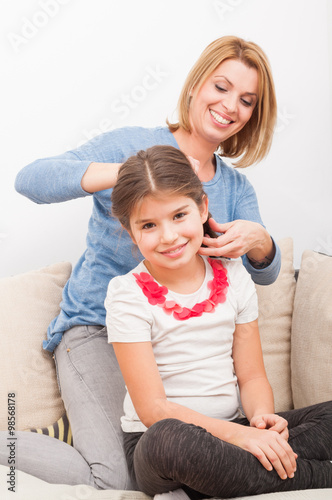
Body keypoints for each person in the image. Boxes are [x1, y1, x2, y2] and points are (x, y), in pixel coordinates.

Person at [1, 36, 282, 488]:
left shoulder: (234, 189)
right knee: (118, 479)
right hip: (96, 331)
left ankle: (83, 437)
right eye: (221, 87)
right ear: (196, 86)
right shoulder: (131, 144)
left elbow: (263, 274)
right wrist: (135, 172)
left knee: (170, 467)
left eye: (246, 101)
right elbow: (31, 180)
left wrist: (260, 240)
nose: (230, 106)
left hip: (167, 350)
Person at [105, 145, 332, 499]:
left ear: (202, 208)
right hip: (167, 446)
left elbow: (252, 375)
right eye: (148, 225)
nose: (168, 236)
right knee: (170, 439)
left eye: (179, 215)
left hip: (234, 433)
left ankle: (246, 471)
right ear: (130, 231)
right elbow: (154, 410)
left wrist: (261, 421)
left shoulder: (233, 276)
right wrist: (244, 438)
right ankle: (315, 475)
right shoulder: (126, 294)